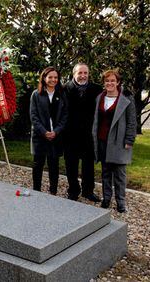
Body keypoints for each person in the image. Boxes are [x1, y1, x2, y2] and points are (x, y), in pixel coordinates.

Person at [92, 69, 136, 213]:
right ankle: (106, 199)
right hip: (102, 140)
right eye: (107, 81)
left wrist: (129, 139)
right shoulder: (100, 97)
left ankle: (121, 202)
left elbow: (132, 122)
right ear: (104, 83)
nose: (109, 83)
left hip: (119, 141)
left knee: (119, 174)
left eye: (112, 81)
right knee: (105, 172)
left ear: (118, 82)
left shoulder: (126, 100)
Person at [63, 63, 102, 202]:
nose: (83, 76)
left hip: (89, 135)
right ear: (74, 74)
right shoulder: (64, 89)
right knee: (71, 166)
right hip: (70, 135)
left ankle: (88, 191)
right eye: (80, 73)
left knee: (88, 165)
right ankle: (73, 190)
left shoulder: (96, 90)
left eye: (85, 73)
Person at [30, 67, 68, 195]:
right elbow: (33, 116)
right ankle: (36, 191)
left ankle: (53, 192)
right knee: (38, 165)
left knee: (54, 166)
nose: (53, 80)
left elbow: (65, 116)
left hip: (56, 136)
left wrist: (55, 132)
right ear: (44, 78)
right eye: (50, 77)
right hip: (40, 136)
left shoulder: (62, 95)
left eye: (55, 77)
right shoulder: (36, 94)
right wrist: (44, 132)